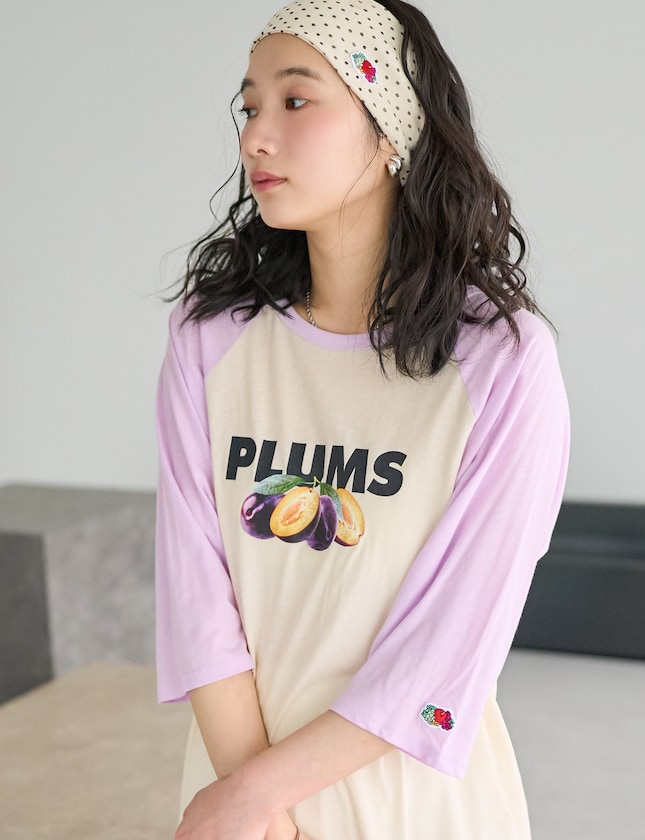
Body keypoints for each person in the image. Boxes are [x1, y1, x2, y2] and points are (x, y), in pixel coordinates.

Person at [155, 0, 569, 837]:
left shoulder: (500, 362)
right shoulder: (210, 337)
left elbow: (451, 639)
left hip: (415, 806)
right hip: (239, 803)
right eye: (249, 107)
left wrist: (253, 797)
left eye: (295, 100)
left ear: (390, 134)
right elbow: (195, 595)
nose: (255, 136)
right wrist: (254, 804)